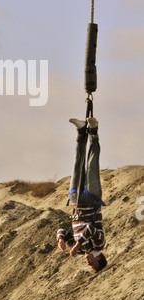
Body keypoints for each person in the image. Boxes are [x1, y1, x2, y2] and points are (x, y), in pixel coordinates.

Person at [56, 116, 107, 272]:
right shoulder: (99, 244)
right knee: (92, 164)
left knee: (77, 165)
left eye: (89, 265)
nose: (88, 263)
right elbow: (91, 229)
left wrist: (61, 240)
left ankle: (80, 131)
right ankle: (93, 131)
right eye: (92, 264)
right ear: (98, 258)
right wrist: (77, 244)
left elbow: (62, 230)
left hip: (76, 202)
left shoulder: (81, 250)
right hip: (92, 200)